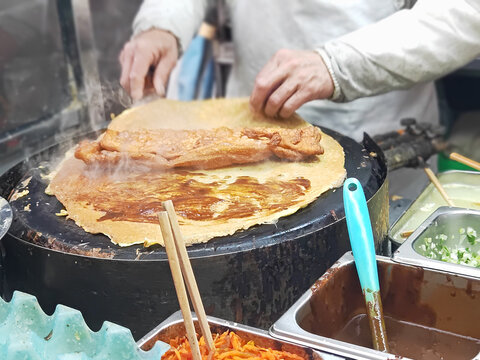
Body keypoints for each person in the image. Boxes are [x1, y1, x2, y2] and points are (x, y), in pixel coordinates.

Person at [119, 0, 477, 139]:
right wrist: (160, 25)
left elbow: (464, 11)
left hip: (381, 139)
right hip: (249, 133)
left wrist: (337, 64)